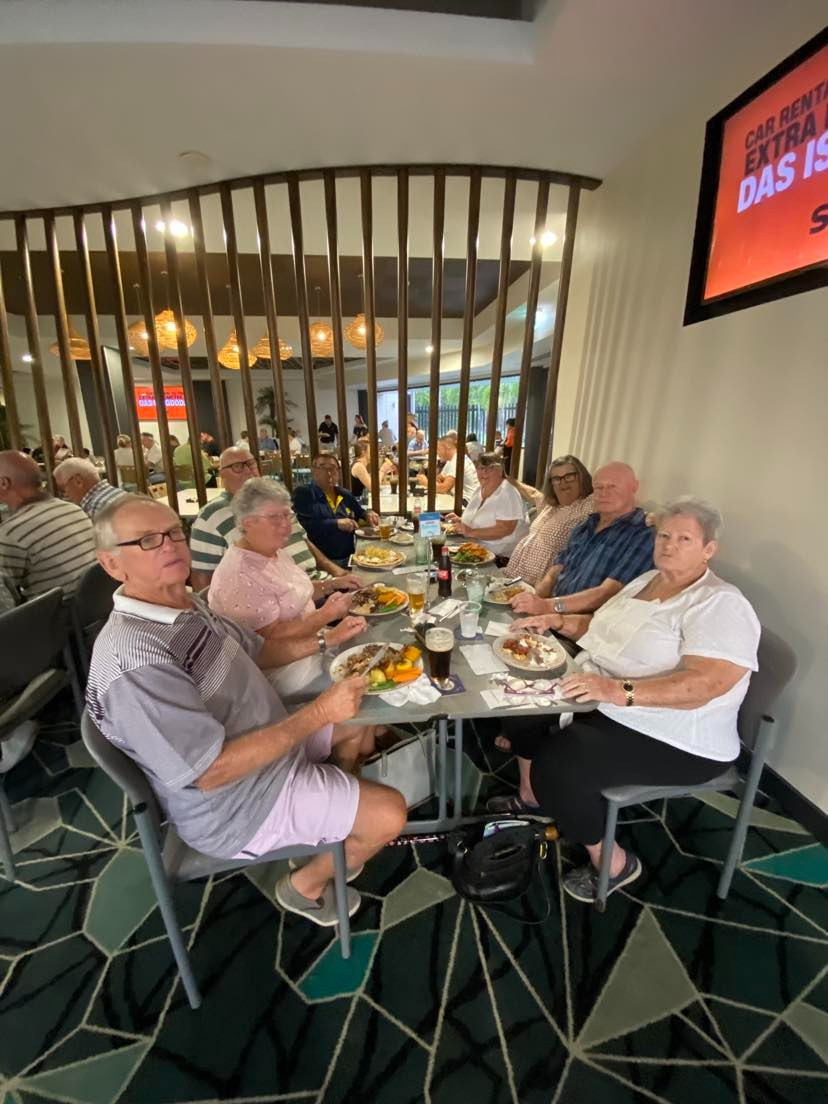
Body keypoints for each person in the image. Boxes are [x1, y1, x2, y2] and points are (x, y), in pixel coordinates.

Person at [86, 495, 407, 928]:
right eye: (147, 540)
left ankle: (332, 828)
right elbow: (210, 772)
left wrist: (326, 641)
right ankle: (304, 886)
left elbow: (257, 650)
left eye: (175, 532)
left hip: (268, 744)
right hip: (234, 806)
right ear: (112, 564)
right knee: (390, 814)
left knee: (361, 722)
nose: (171, 545)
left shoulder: (186, 604)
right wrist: (318, 713)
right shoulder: (133, 661)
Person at [492, 499, 760, 904]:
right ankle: (532, 797)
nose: (669, 545)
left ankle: (613, 862)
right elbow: (599, 627)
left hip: (676, 733)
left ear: (709, 549)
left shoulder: (720, 603)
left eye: (684, 539)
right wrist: (555, 621)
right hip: (607, 699)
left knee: (560, 764)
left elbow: (707, 683)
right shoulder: (647, 580)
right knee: (522, 707)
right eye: (664, 535)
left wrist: (617, 691)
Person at [209, 480, 369, 704]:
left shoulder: (272, 550)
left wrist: (333, 584)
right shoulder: (240, 575)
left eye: (287, 515)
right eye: (275, 518)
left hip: (315, 645)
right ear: (248, 523)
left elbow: (295, 592)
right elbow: (269, 642)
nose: (286, 525)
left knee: (371, 646)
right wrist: (328, 616)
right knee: (366, 684)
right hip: (284, 676)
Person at [189, 447, 356, 592]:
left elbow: (303, 540)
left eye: (251, 464)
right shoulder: (212, 515)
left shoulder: (274, 501)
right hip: (283, 601)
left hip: (319, 583)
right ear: (222, 474)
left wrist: (337, 572)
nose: (248, 471)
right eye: (237, 467)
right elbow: (203, 585)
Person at [510, 462, 654, 617]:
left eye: (613, 486)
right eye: (598, 487)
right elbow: (554, 573)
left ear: (634, 487)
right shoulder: (585, 525)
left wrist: (548, 606)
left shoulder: (643, 533)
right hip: (549, 614)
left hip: (581, 625)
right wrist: (533, 602)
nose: (604, 493)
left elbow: (608, 592)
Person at [0, 450, 96, 603]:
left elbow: (4, 602)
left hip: (57, 614)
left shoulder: (11, 533)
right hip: (98, 606)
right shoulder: (73, 509)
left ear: (4, 483)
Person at [504, 455, 595, 587]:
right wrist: (509, 479)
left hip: (540, 588)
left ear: (582, 477)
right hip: (514, 579)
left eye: (569, 476)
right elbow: (533, 494)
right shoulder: (550, 505)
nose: (563, 483)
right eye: (556, 478)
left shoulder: (587, 505)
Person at [293, 455, 380, 567]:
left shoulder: (345, 494)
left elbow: (360, 512)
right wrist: (336, 524)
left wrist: (368, 513)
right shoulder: (304, 493)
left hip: (349, 558)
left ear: (338, 472)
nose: (329, 472)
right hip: (319, 563)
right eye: (322, 467)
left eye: (333, 468)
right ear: (313, 471)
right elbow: (303, 526)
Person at [446, 453, 528, 559]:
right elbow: (483, 519)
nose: (484, 472)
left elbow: (505, 529)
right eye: (480, 468)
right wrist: (461, 521)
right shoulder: (480, 489)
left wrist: (470, 532)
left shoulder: (507, 493)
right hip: (475, 548)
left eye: (491, 468)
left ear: (501, 470)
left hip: (499, 557)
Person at [53, 458, 126, 520]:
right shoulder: (120, 493)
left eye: (62, 488)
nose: (65, 495)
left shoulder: (96, 508)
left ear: (78, 481)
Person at [417, 436, 479, 500]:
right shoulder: (452, 460)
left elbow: (444, 489)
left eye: (438, 449)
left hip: (465, 501)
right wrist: (439, 484)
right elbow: (439, 478)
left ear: (447, 448)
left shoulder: (457, 460)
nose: (437, 453)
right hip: (457, 498)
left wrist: (426, 482)